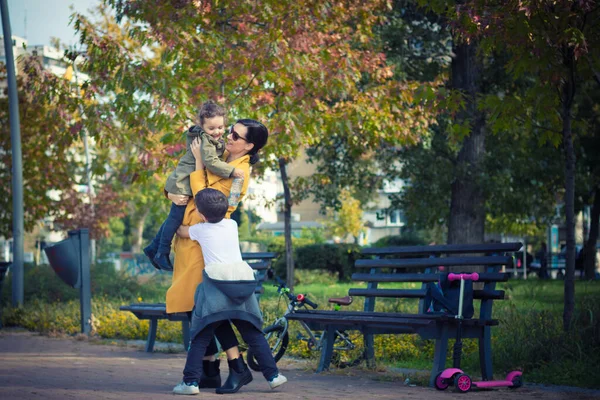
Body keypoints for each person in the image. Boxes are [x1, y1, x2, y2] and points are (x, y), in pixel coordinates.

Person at [165, 118, 269, 394]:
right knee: (193, 308)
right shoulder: (220, 154)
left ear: (249, 146)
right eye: (230, 131)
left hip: (203, 245)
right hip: (190, 241)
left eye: (236, 135)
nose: (229, 136)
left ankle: (235, 367)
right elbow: (183, 174)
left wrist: (200, 165)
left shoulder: (240, 174)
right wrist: (172, 194)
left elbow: (212, 202)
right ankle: (210, 371)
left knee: (210, 311)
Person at [172, 189, 287, 395]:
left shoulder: (200, 229)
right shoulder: (232, 224)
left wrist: (177, 209)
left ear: (201, 214)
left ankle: (190, 383)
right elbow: (230, 203)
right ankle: (273, 376)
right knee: (253, 333)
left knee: (200, 335)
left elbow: (181, 231)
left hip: (217, 287)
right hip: (242, 284)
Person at [143, 100, 245, 271]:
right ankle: (162, 251)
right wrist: (232, 171)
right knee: (175, 217)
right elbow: (211, 162)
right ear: (202, 127)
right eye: (211, 128)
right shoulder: (205, 142)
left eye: (220, 127)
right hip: (184, 183)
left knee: (173, 217)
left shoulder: (212, 140)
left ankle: (153, 247)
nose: (217, 132)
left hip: (185, 181)